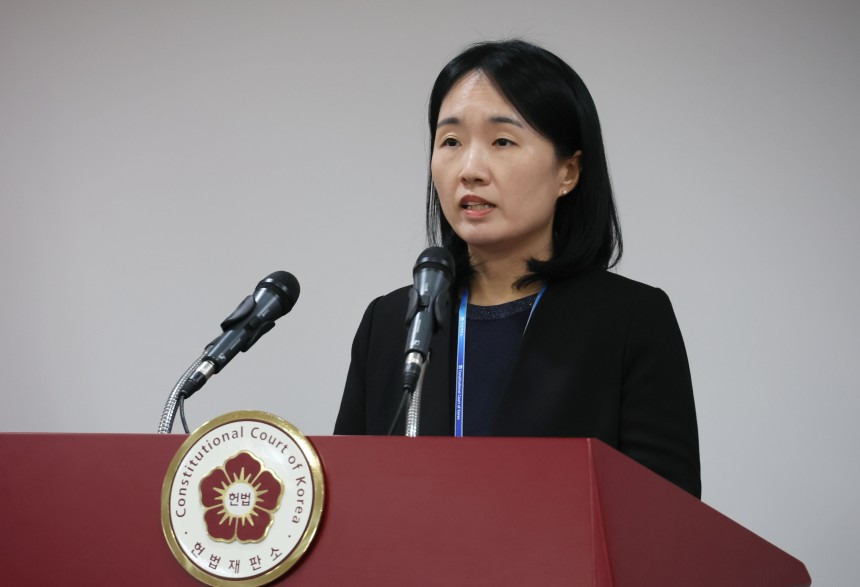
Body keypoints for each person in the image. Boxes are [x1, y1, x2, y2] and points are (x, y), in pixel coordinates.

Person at [334, 39, 701, 498]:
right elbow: (345, 501)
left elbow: (666, 517)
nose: (470, 169)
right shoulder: (392, 324)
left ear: (568, 172)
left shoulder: (628, 320)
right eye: (451, 142)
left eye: (502, 141)